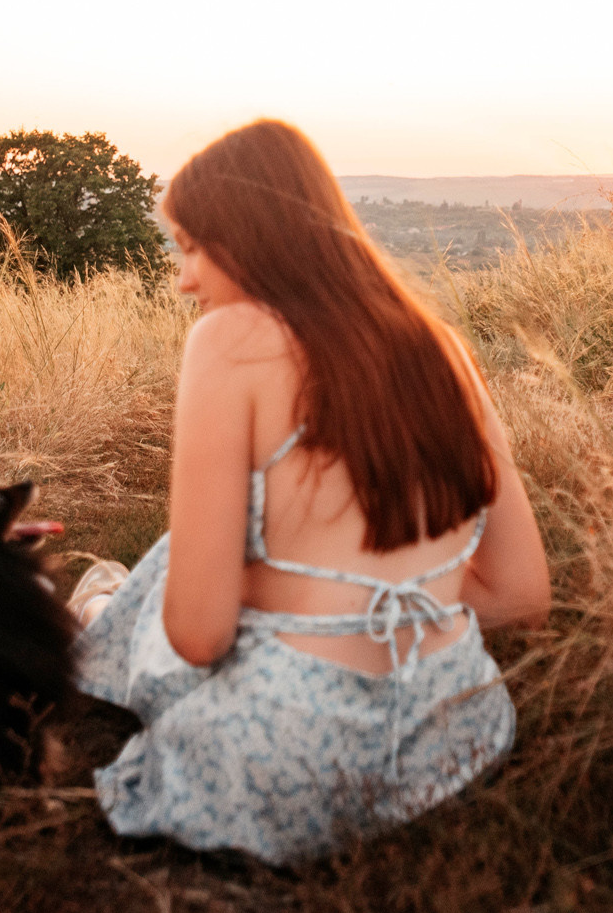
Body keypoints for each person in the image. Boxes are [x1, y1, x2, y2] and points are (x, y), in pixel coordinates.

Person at [66, 119, 551, 863]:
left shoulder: (230, 341)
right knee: (210, 561)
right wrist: (370, 592)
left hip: (293, 755)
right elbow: (522, 593)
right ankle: (104, 603)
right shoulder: (444, 347)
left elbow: (199, 637)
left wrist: (288, 596)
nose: (184, 277)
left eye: (192, 248)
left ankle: (96, 609)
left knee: (175, 565)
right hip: (461, 732)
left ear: (248, 239)